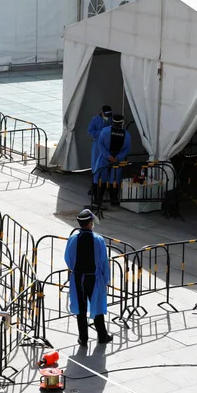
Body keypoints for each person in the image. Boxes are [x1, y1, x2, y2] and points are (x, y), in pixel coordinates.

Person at [64, 209, 113, 346]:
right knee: (97, 305)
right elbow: (104, 262)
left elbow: (68, 258)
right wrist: (105, 279)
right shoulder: (98, 240)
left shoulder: (73, 239)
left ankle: (83, 338)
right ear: (90, 223)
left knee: (81, 307)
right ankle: (102, 335)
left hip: (78, 277)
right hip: (94, 278)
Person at [93, 112, 131, 207]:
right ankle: (113, 200)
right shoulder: (126, 134)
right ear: (122, 122)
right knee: (115, 179)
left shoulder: (105, 131)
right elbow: (127, 148)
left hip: (104, 158)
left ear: (112, 121)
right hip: (117, 160)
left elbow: (100, 144)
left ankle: (98, 199)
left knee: (101, 177)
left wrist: (108, 156)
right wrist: (118, 157)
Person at [88, 106, 112, 189]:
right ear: (102, 112)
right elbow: (90, 131)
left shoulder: (110, 120)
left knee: (106, 164)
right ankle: (94, 185)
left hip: (107, 145)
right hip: (97, 145)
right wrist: (102, 133)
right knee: (96, 164)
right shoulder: (95, 119)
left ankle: (105, 184)